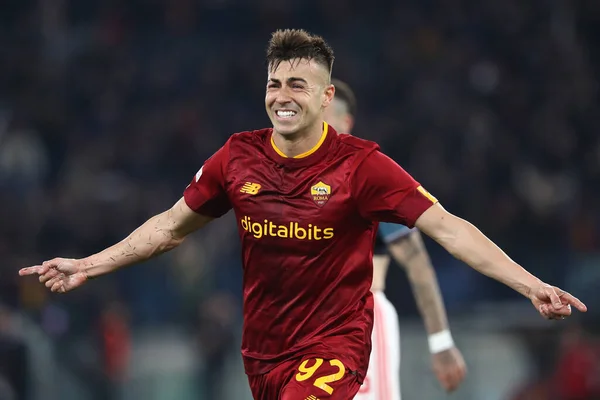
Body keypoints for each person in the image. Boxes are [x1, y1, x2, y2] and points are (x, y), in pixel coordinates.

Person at [19, 29, 587, 400]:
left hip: (335, 345)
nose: (282, 95)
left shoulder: (362, 166)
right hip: (263, 352)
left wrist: (529, 283)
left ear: (325, 96)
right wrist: (90, 264)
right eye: (274, 83)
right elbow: (169, 228)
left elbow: (448, 228)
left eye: (297, 84)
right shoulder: (236, 157)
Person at [323, 79, 466, 399]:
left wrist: (441, 342)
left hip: (359, 318)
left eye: (324, 114)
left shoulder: (368, 180)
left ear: (346, 123)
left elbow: (417, 263)